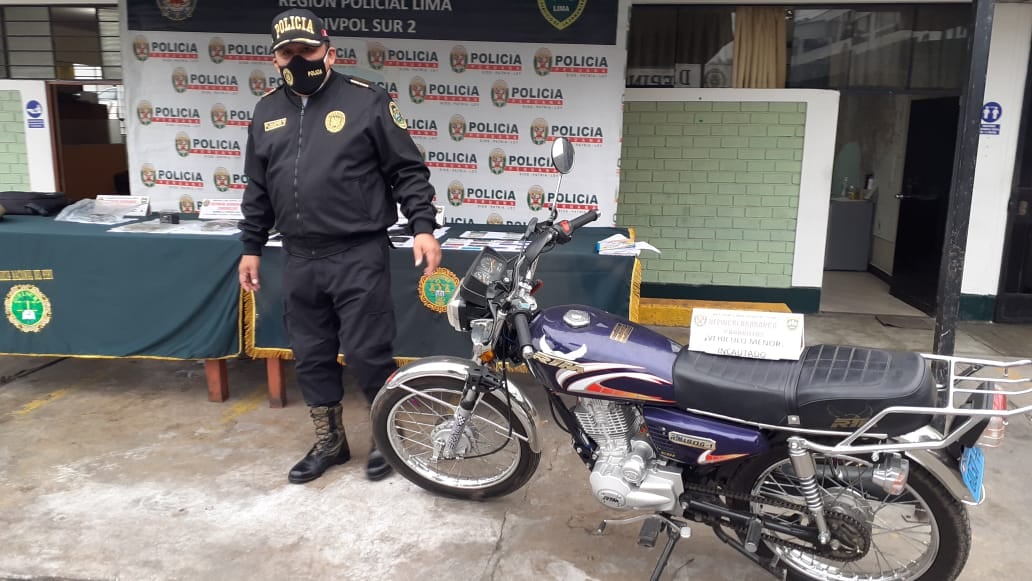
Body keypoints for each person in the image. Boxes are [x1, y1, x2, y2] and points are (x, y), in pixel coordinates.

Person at [237, 8, 442, 484]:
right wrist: (251, 246)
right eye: (287, 53)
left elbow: (407, 170)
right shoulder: (266, 110)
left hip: (357, 253)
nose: (298, 60)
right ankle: (331, 442)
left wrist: (423, 227)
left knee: (369, 353)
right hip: (298, 256)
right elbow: (257, 188)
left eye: (306, 51)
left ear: (329, 53)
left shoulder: (365, 101)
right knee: (310, 354)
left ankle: (387, 440)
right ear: (275, 60)